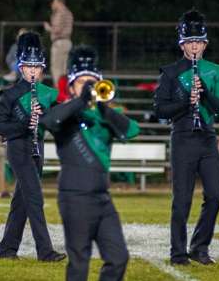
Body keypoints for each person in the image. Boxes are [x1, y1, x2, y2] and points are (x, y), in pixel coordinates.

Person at [42, 45, 140, 281]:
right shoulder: (65, 114)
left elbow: (132, 130)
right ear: (72, 87)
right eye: (82, 82)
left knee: (118, 258)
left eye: (92, 82)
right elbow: (49, 121)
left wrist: (104, 108)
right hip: (74, 197)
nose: (88, 86)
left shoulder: (104, 116)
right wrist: (80, 101)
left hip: (102, 198)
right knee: (79, 263)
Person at [153, 9, 219, 265]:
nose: (195, 46)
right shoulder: (170, 72)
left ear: (205, 43)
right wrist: (186, 102)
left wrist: (206, 95)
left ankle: (199, 246)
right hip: (183, 137)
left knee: (215, 194)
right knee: (182, 199)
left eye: (199, 41)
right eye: (190, 42)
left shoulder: (214, 70)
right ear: (182, 44)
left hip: (208, 137)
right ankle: (178, 252)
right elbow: (160, 110)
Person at [0, 31, 65, 262]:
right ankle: (45, 251)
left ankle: (7, 250)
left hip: (37, 148)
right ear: (21, 68)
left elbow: (58, 120)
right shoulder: (9, 94)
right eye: (28, 67)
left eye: (37, 67)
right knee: (35, 197)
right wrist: (24, 124)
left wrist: (46, 116)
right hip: (17, 148)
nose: (33, 71)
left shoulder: (48, 94)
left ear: (42, 69)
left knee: (21, 201)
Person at [44, 0, 73, 84]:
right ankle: (64, 92)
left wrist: (48, 27)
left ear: (59, 3)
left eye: (54, 2)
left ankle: (59, 92)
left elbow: (57, 29)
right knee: (64, 70)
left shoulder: (59, 13)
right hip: (67, 42)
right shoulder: (69, 13)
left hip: (59, 42)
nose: (52, 5)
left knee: (56, 69)